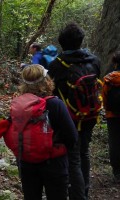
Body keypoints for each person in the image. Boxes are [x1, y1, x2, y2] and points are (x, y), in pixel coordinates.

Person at [48, 22, 101, 199]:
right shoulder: (94, 60)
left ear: (62, 43)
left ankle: (78, 195)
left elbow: (51, 91)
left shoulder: (57, 65)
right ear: (81, 40)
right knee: (84, 152)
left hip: (68, 117)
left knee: (73, 158)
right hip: (90, 115)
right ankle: (84, 189)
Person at [14, 64, 78, 199]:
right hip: (54, 162)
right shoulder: (55, 104)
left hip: (27, 162)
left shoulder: (19, 105)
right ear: (46, 80)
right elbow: (72, 136)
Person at [102, 51, 120, 183]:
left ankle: (117, 173)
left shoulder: (108, 79)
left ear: (114, 62)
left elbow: (104, 99)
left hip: (112, 116)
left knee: (114, 143)